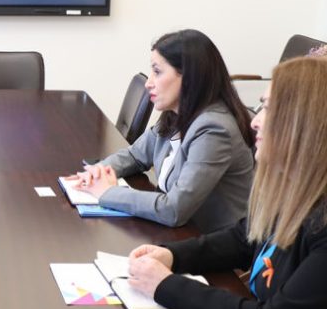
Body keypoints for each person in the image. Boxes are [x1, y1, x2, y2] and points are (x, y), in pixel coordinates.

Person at [128, 56, 327, 309]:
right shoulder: (295, 191)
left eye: (269, 109)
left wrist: (165, 285)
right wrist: (172, 255)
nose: (255, 122)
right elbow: (243, 239)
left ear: (304, 124)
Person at [67, 29, 254, 233]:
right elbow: (135, 155)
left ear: (189, 77)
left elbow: (174, 209)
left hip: (208, 241)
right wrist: (98, 172)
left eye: (157, 72)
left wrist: (107, 193)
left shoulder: (214, 130)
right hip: (178, 233)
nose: (149, 83)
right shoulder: (176, 113)